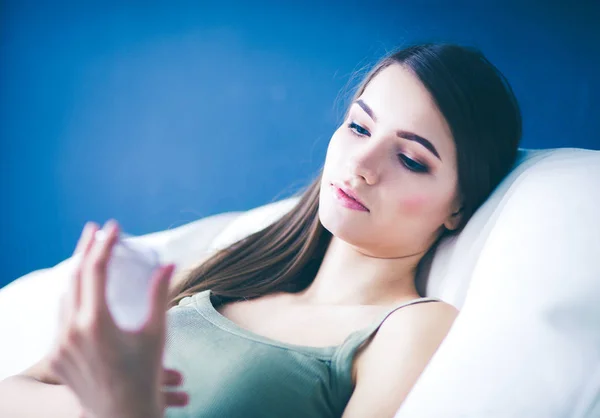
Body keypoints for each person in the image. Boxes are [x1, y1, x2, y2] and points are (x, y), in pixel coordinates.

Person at [0, 42, 522, 417]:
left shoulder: (408, 328)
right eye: (359, 127)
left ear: (459, 206)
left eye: (410, 159)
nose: (361, 162)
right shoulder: (234, 269)